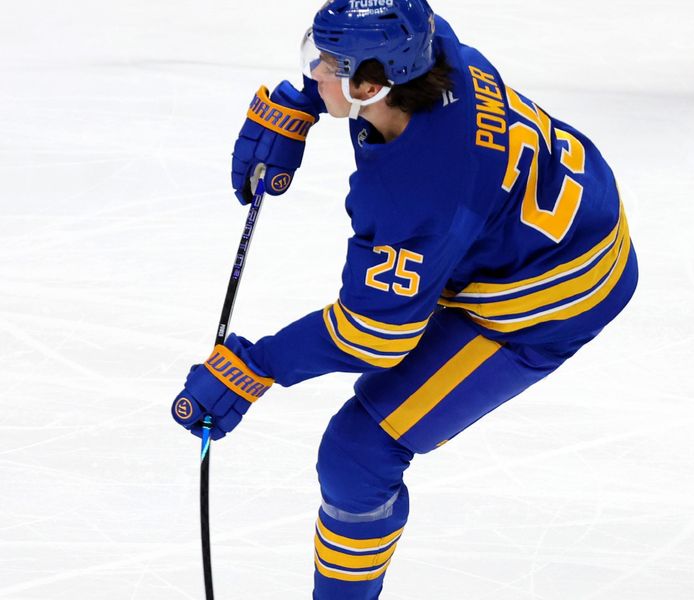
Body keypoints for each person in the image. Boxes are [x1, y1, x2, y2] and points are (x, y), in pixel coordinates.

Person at [172, 0, 638, 597]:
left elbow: (375, 335)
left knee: (359, 454)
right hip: (547, 221)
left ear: (372, 84)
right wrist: (302, 101)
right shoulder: (432, 47)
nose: (315, 69)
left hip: (549, 300)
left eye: (327, 66)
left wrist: (255, 368)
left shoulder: (416, 193)